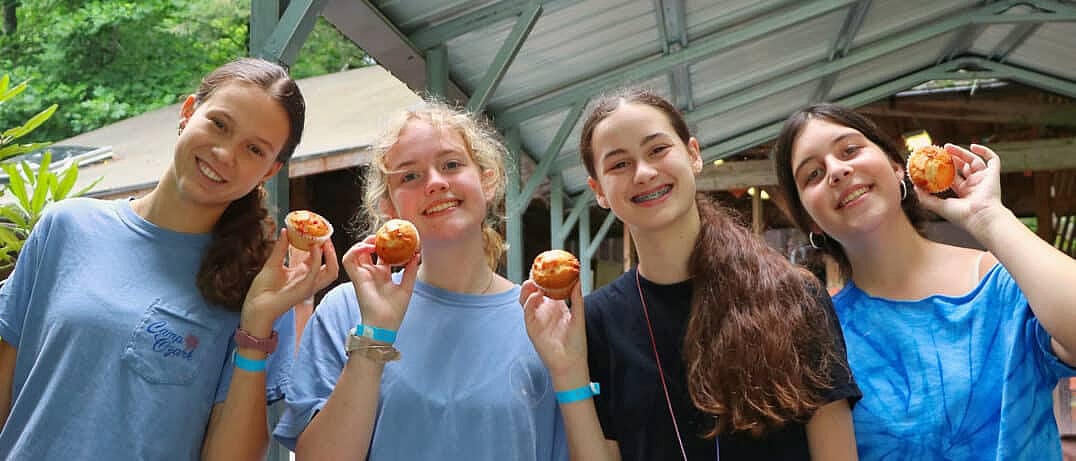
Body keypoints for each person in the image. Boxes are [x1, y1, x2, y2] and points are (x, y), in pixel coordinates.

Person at [0, 57, 339, 460]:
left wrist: (256, 327)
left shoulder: (258, 288)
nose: (225, 153)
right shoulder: (66, 227)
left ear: (270, 171)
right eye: (219, 124)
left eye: (254, 149)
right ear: (187, 112)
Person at [520, 88, 860, 460]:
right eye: (619, 164)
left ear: (693, 155)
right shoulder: (595, 322)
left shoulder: (795, 295)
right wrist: (567, 371)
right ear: (599, 190)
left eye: (657, 150)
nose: (644, 173)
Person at [772, 103, 1076, 460]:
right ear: (810, 220)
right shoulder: (821, 334)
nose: (837, 171)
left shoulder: (1000, 282)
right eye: (813, 174)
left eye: (850, 150)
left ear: (897, 166)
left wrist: (990, 217)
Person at [275, 100, 568, 460]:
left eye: (451, 164)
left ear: (487, 180)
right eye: (409, 176)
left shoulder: (543, 321)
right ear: (389, 207)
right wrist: (374, 334)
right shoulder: (347, 310)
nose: (435, 183)